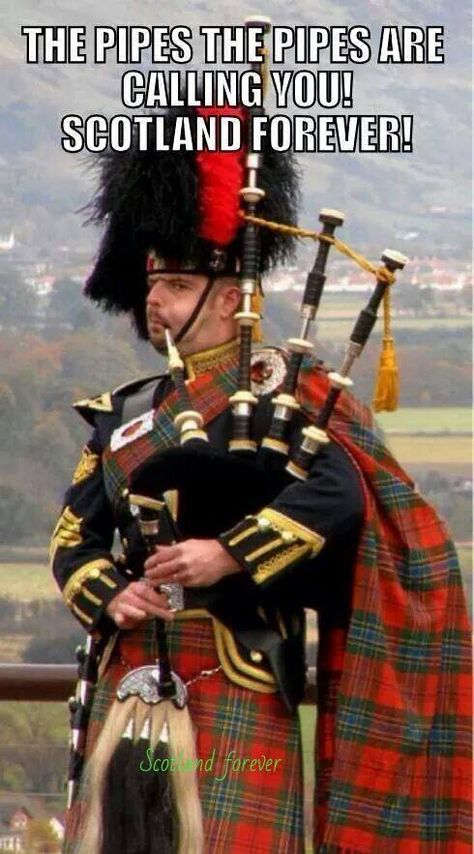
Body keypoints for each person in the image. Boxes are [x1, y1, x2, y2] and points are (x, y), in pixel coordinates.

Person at [52, 102, 472, 854]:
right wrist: (111, 592)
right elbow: (71, 537)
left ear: (229, 298)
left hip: (238, 676)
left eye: (176, 286)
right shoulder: (124, 413)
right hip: (130, 676)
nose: (154, 302)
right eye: (152, 286)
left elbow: (338, 496)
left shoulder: (291, 395)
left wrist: (230, 554)